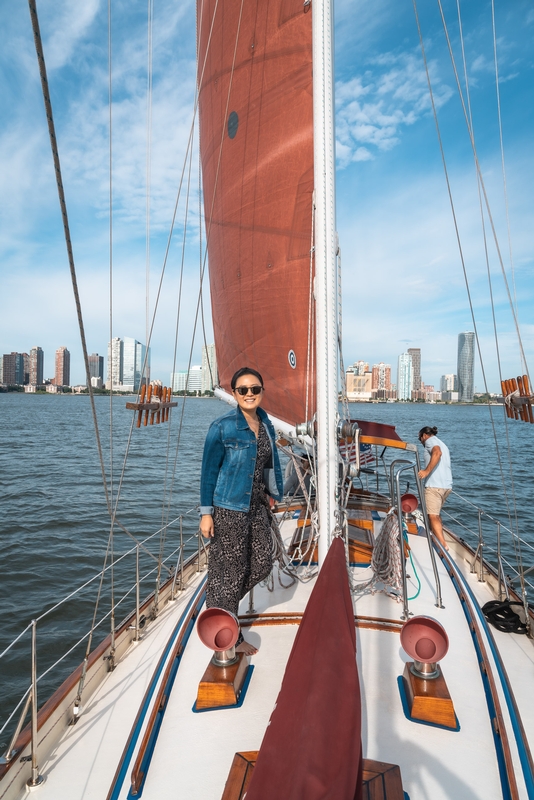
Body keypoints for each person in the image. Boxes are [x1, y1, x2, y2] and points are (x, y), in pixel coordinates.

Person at [199, 367, 284, 655]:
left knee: (262, 562)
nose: (249, 394)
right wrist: (206, 513)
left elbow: (269, 464)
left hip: (256, 506)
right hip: (228, 508)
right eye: (243, 390)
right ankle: (228, 633)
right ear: (234, 393)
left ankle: (219, 606)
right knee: (230, 570)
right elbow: (208, 473)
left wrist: (272, 493)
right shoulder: (222, 427)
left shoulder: (266, 424)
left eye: (255, 389)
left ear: (262, 391)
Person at [417, 426, 452, 551]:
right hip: (446, 486)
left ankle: (443, 546)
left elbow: (437, 453)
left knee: (432, 516)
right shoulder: (442, 443)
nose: (420, 441)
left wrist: (426, 471)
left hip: (434, 486)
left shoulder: (430, 441)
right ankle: (436, 539)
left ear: (424, 435)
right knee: (436, 515)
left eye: (419, 438)